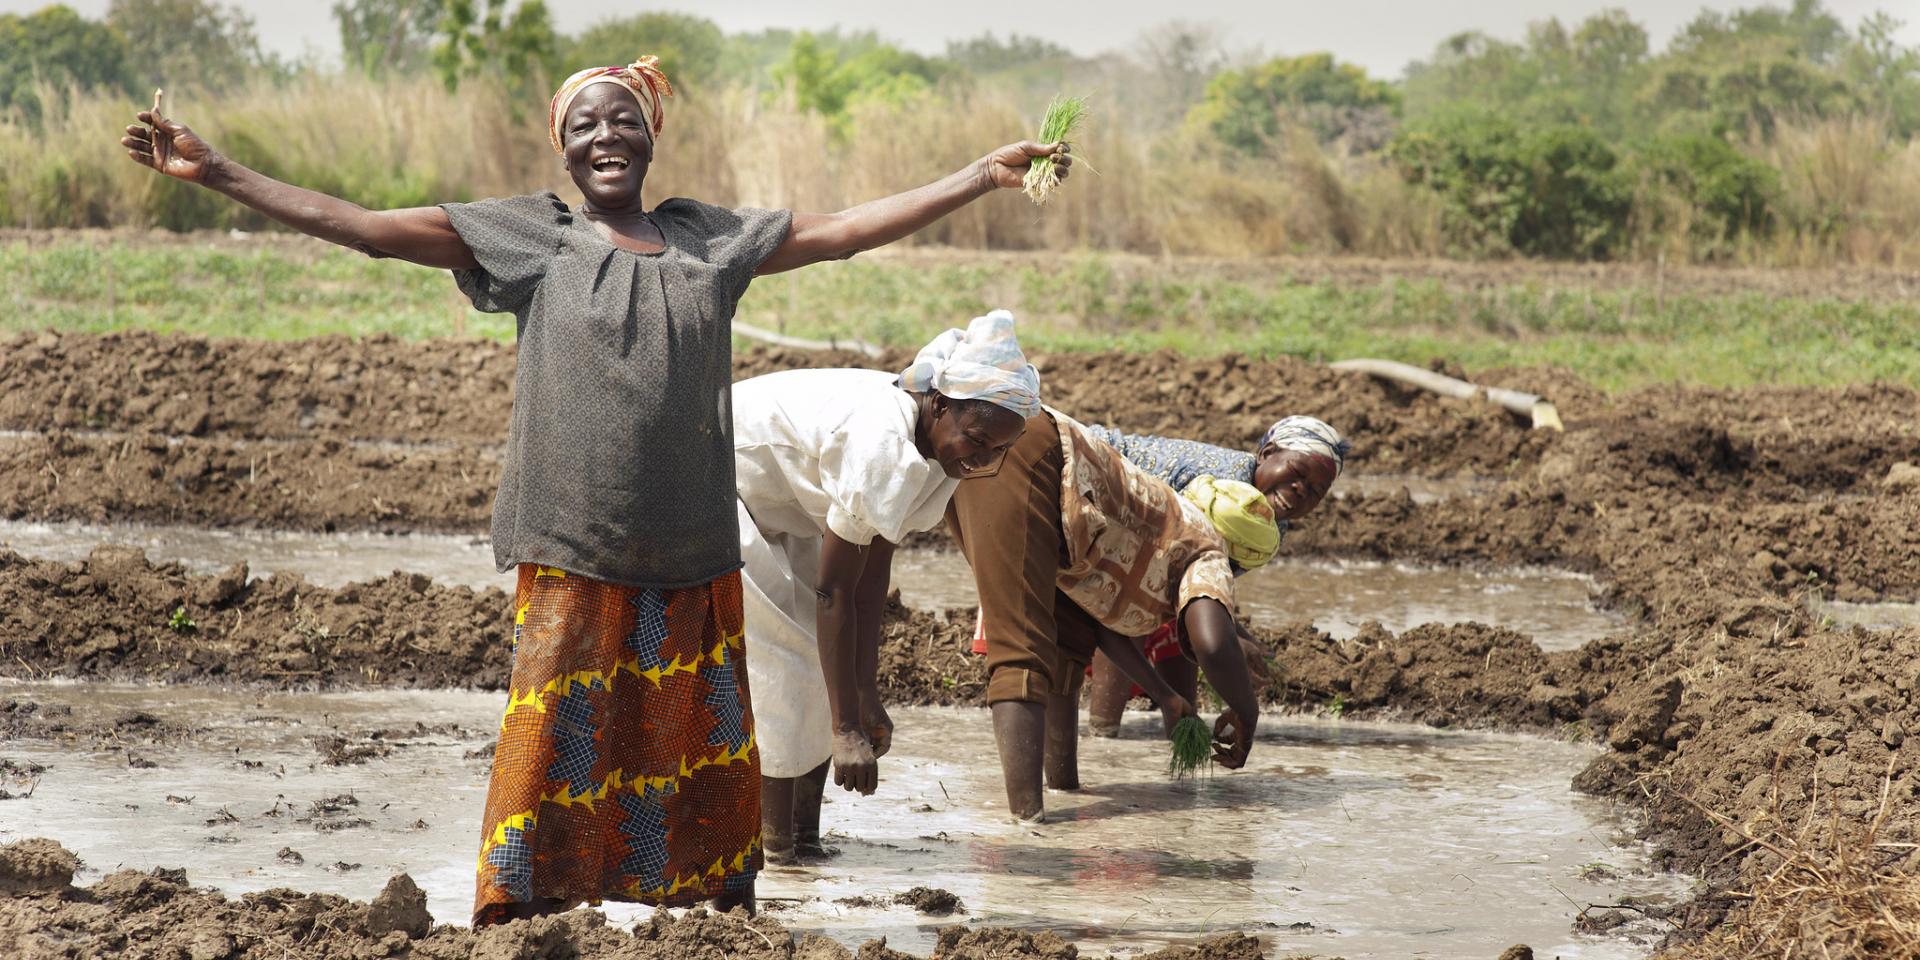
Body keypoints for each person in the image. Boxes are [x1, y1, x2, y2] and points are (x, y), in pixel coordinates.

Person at [120, 56, 1071, 924]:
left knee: (698, 753)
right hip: (576, 544)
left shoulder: (708, 239)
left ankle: (713, 921)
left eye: (622, 120)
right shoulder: (534, 235)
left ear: (652, 134)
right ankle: (523, 919)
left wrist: (979, 175)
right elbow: (370, 230)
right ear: (562, 149)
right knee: (553, 747)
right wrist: (219, 172)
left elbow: (840, 234)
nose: (605, 136)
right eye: (585, 126)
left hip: (694, 553)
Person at [732, 310, 1038, 864]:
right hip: (715, 482)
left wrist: (866, 695)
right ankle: (774, 849)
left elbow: (871, 582)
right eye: (976, 440)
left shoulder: (942, 455)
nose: (984, 459)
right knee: (789, 658)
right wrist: (846, 726)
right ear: (940, 403)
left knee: (822, 662)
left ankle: (804, 840)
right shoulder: (881, 444)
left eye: (998, 450)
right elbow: (835, 594)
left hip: (790, 508)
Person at [944, 405, 1276, 822]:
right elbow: (1212, 642)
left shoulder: (1166, 528)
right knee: (1020, 647)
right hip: (1035, 452)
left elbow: (1105, 629)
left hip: (1003, 448)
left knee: (1068, 645)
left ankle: (1061, 790)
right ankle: (1025, 829)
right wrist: (1247, 710)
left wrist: (1165, 697)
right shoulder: (1209, 546)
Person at [1080, 418, 1350, 737]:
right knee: (1134, 610)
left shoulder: (1271, 529)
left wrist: (1240, 634)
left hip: (1141, 546)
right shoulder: (1224, 489)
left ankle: (1181, 735)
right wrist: (1232, 639)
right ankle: (1103, 737)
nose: (1301, 489)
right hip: (1090, 480)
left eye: (1316, 490)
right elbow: (1160, 573)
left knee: (1170, 617)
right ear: (1266, 453)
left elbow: (1195, 587)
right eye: (1297, 472)